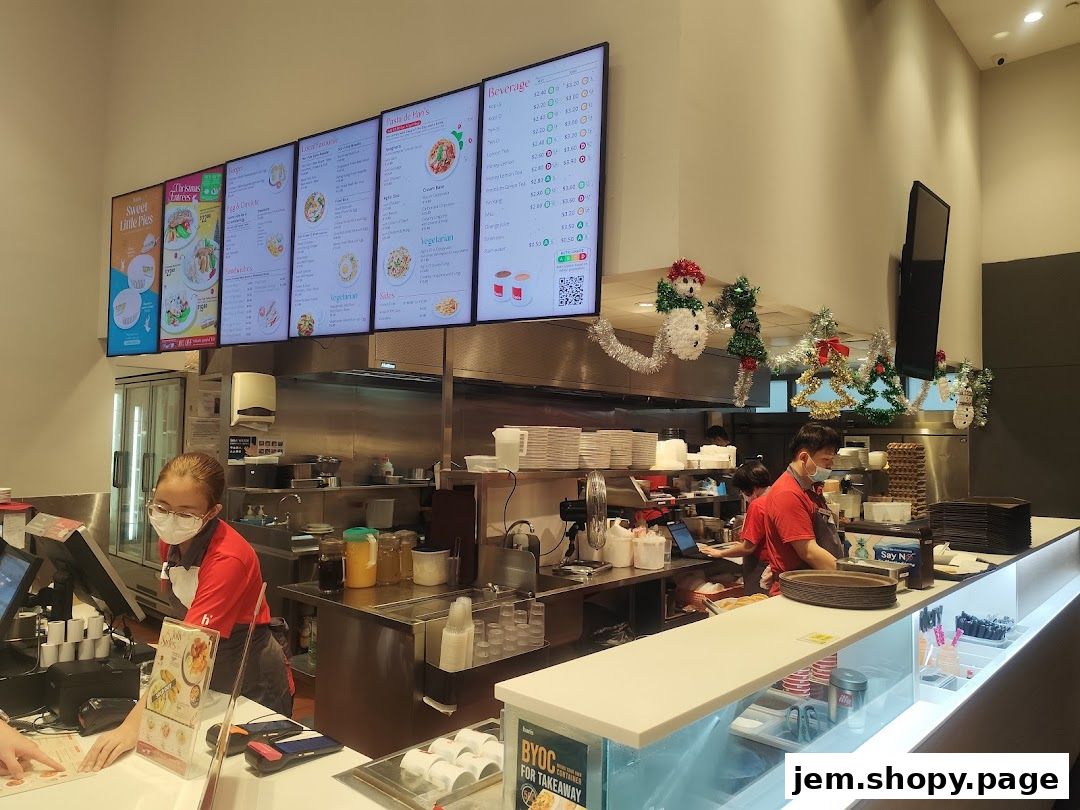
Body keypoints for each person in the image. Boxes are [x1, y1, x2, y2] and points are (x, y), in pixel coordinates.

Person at [81, 452, 293, 771]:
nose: (169, 520)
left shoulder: (228, 559)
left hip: (247, 676)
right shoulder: (173, 542)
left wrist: (130, 727)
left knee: (242, 771)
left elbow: (189, 645)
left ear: (212, 513)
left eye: (185, 513)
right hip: (202, 668)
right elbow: (188, 624)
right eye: (162, 507)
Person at [760, 424, 844, 595]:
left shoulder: (810, 487)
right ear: (804, 457)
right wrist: (849, 579)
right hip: (796, 592)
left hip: (816, 584)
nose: (830, 467)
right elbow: (809, 552)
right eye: (825, 460)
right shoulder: (787, 493)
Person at [697, 460, 772, 595]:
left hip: (761, 566)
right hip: (774, 566)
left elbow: (747, 547)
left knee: (755, 604)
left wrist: (720, 553)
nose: (742, 494)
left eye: (742, 490)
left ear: (752, 487)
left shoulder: (757, 505)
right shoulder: (777, 496)